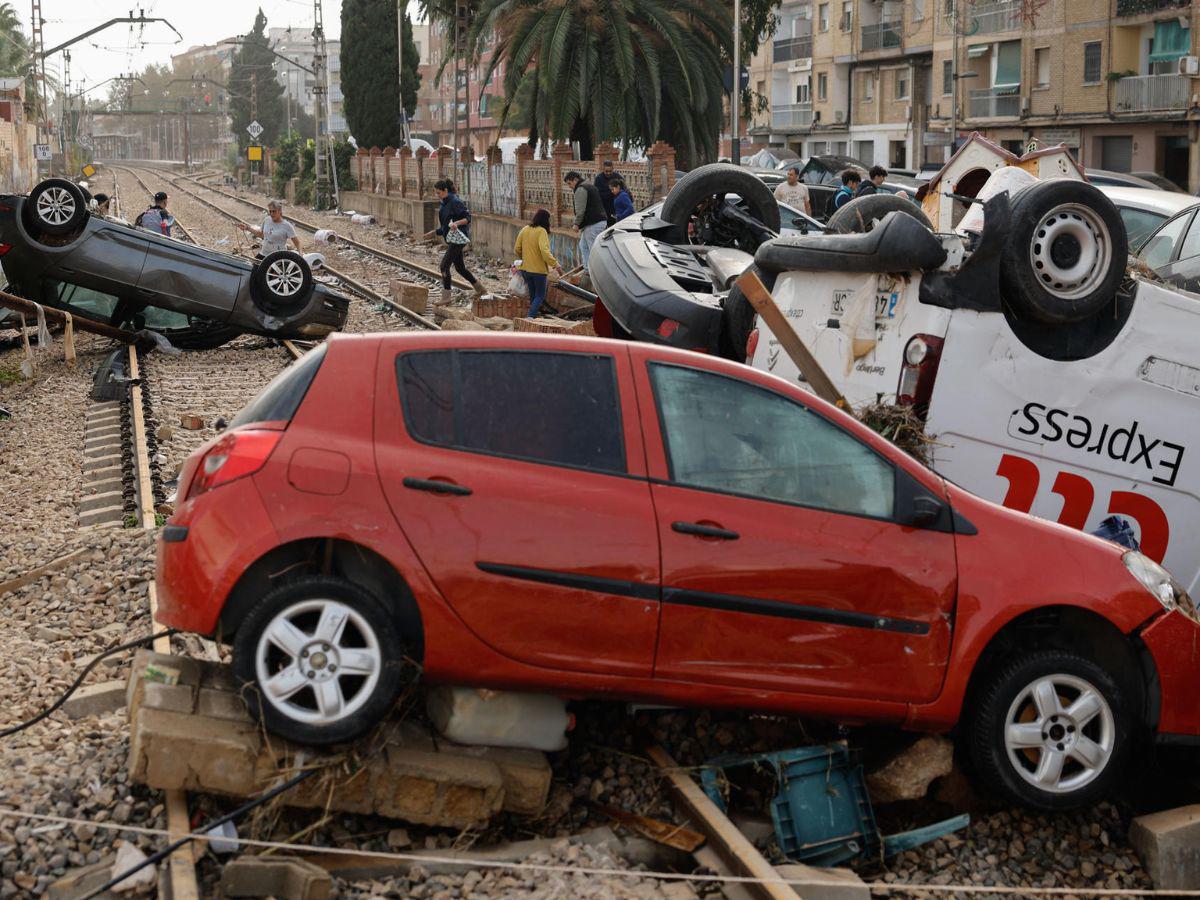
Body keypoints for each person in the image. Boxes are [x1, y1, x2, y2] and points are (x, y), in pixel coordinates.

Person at [422, 178, 486, 305]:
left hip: (459, 238)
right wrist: (434, 232)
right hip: (452, 239)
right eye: (436, 193)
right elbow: (445, 227)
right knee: (460, 268)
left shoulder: (455, 202)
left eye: (439, 192)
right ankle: (481, 289)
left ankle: (446, 297)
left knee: (444, 266)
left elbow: (467, 218)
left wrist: (456, 223)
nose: (437, 195)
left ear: (445, 190)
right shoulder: (444, 203)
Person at [514, 208, 564, 318]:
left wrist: (525, 258)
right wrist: (556, 264)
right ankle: (530, 317)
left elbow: (517, 248)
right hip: (538, 271)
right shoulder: (542, 231)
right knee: (540, 295)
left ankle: (533, 316)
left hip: (525, 270)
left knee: (533, 295)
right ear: (546, 220)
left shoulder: (525, 229)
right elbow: (545, 252)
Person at [564, 170, 607, 268]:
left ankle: (597, 270)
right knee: (583, 246)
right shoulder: (588, 185)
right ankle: (588, 269)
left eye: (570, 183)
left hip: (593, 223)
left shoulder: (581, 189)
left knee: (592, 248)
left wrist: (576, 224)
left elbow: (580, 210)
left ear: (575, 180)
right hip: (597, 221)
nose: (570, 186)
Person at [236, 199, 301, 258]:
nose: (271, 214)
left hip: (277, 258)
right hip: (264, 254)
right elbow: (261, 235)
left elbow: (297, 243)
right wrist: (247, 228)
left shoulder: (287, 226)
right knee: (254, 269)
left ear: (279, 211)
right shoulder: (266, 220)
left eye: (274, 211)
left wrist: (301, 256)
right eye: (270, 211)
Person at [594, 160, 622, 225]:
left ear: (613, 169)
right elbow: (598, 195)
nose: (608, 173)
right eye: (606, 171)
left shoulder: (617, 177)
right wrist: (612, 193)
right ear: (603, 169)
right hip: (605, 209)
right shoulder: (599, 179)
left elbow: (623, 189)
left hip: (617, 208)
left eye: (610, 171)